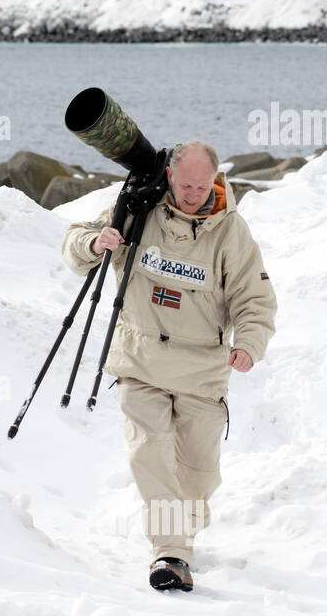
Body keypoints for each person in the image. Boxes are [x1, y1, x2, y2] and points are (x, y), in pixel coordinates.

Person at [60, 140, 277, 592]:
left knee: (199, 473)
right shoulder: (137, 208)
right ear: (170, 177)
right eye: (186, 184)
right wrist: (95, 243)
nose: (194, 193)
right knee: (151, 453)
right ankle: (171, 553)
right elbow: (75, 245)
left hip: (202, 370)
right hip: (140, 361)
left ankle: (183, 529)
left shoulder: (230, 231)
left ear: (216, 180)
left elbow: (254, 299)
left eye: (204, 185)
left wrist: (249, 344)